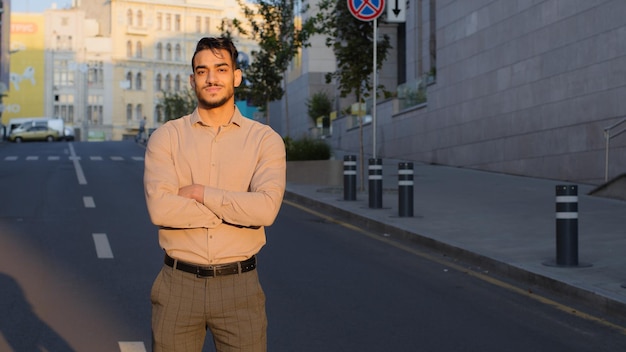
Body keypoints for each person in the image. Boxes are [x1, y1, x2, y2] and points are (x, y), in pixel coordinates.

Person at [143, 37, 286, 352]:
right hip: (177, 286)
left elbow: (265, 211)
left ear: (236, 76)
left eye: (221, 69)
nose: (211, 78)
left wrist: (199, 193)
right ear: (192, 80)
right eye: (202, 70)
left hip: (240, 288)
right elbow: (161, 210)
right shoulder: (166, 138)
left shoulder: (265, 141)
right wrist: (235, 208)